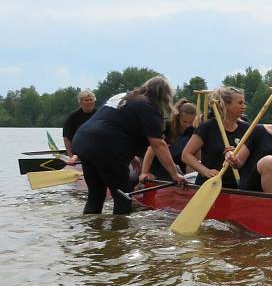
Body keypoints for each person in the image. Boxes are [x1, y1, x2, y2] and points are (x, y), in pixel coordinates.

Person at [71, 76, 186, 214]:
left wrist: (131, 156)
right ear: (164, 96)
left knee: (96, 194)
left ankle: (91, 233)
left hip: (83, 140)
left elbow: (115, 122)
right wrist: (174, 174)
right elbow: (158, 144)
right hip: (106, 146)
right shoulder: (149, 106)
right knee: (123, 198)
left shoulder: (126, 96)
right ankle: (119, 234)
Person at [182, 86, 249, 189]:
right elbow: (186, 155)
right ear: (226, 105)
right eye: (240, 103)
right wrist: (206, 171)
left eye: (244, 103)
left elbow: (252, 159)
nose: (244, 106)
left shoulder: (246, 128)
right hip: (210, 186)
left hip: (236, 187)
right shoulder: (207, 126)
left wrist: (237, 156)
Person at [139, 99, 197, 182]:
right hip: (156, 163)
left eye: (191, 122)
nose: (187, 125)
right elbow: (152, 149)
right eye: (184, 122)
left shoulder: (192, 131)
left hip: (175, 165)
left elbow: (195, 154)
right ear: (178, 117)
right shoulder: (167, 127)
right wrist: (144, 172)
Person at [63, 90, 97, 159]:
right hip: (77, 154)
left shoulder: (99, 114)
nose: (89, 102)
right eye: (86, 100)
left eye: (91, 100)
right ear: (81, 102)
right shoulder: (72, 117)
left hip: (96, 152)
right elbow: (66, 138)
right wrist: (71, 156)